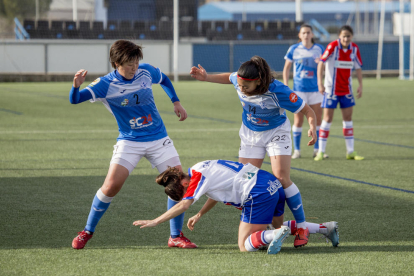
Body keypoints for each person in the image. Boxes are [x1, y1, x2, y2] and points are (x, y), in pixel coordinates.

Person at [70, 39, 197, 249]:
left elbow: (164, 79)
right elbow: (75, 100)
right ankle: (87, 231)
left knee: (178, 183)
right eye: (130, 64)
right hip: (129, 141)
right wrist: (76, 86)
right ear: (116, 63)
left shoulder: (145, 72)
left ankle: (175, 236)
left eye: (136, 62)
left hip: (158, 139)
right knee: (111, 187)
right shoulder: (105, 84)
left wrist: (176, 101)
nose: (134, 68)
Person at [189, 56, 317, 248]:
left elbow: (308, 111)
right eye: (239, 85)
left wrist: (312, 128)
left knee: (281, 178)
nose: (241, 89)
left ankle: (301, 226)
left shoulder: (278, 91)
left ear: (259, 81)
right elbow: (229, 77)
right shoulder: (239, 80)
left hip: (276, 133)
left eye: (245, 87)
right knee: (245, 180)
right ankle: (266, 231)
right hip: (250, 135)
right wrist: (206, 77)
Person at [132, 160, 339, 254]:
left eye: (182, 193)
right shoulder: (201, 167)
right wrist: (201, 214)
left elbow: (185, 204)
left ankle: (275, 235)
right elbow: (215, 193)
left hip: (256, 193)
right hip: (270, 183)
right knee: (276, 223)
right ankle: (325, 228)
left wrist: (155, 221)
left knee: (245, 245)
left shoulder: (195, 178)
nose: (185, 195)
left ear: (184, 184)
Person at [315, 25, 364, 161]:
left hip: (346, 91)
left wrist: (360, 84)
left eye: (348, 36)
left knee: (348, 120)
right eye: (343, 36)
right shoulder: (332, 47)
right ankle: (320, 151)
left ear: (351, 37)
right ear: (339, 36)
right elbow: (321, 63)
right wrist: (320, 83)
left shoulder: (354, 49)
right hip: (331, 91)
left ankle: (350, 152)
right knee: (327, 119)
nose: (346, 38)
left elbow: (358, 67)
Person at [283, 24, 326, 159]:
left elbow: (325, 67)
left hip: (315, 90)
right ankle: (297, 150)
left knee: (317, 119)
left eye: (308, 32)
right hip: (299, 90)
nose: (306, 35)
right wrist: (286, 85)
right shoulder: (294, 49)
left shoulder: (319, 49)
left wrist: (322, 68)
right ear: (300, 35)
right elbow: (286, 68)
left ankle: (318, 150)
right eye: (304, 33)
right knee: (298, 120)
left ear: (312, 34)